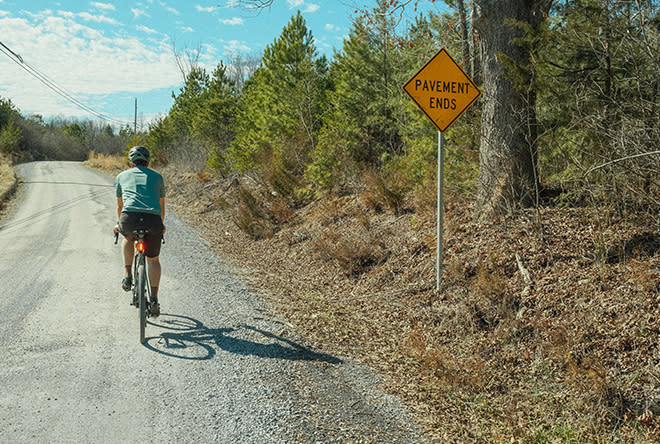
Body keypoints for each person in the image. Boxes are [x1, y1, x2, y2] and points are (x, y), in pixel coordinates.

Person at [113, 145, 166, 317]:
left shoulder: (121, 176)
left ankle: (128, 275)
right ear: (148, 162)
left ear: (131, 163)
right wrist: (161, 225)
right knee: (153, 259)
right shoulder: (158, 177)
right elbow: (161, 207)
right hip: (153, 221)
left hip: (129, 219)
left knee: (128, 238)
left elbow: (120, 206)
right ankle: (154, 299)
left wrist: (119, 224)